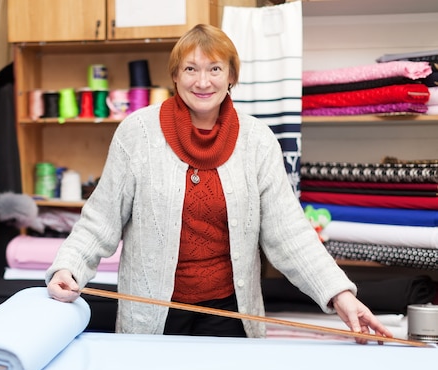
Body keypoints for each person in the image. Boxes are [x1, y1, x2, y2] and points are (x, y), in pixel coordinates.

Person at [46, 23, 393, 343]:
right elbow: (100, 220)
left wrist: (341, 295)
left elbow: (289, 232)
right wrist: (68, 267)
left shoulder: (257, 140)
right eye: (191, 69)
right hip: (152, 315)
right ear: (175, 76)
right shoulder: (137, 134)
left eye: (214, 69)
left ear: (231, 76)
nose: (203, 81)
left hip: (230, 315)